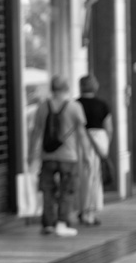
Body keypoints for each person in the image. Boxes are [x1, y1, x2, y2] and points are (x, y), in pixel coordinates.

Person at [28, 74, 88, 237]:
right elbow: (81, 134)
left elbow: (36, 132)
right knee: (67, 190)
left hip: (47, 156)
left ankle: (48, 224)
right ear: (67, 88)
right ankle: (62, 223)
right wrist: (87, 155)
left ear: (52, 89)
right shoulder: (74, 107)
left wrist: (30, 154)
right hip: (69, 156)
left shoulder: (42, 107)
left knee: (47, 191)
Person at [76, 74, 113, 225]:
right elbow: (109, 128)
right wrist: (105, 147)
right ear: (95, 87)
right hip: (98, 142)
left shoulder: (75, 104)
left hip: (79, 142)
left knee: (80, 177)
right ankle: (89, 213)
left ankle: (80, 210)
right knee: (94, 179)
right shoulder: (102, 105)